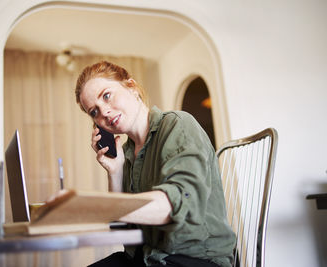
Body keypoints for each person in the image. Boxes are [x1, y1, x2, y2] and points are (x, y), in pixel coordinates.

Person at [74, 61, 236, 267]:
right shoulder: (126, 153)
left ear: (131, 87)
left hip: (193, 259)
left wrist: (99, 206)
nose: (104, 112)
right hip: (146, 257)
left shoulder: (178, 124)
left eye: (106, 96)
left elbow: (175, 205)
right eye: (94, 112)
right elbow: (123, 231)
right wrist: (114, 172)